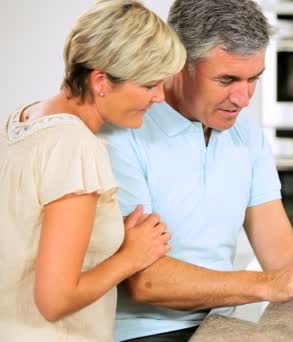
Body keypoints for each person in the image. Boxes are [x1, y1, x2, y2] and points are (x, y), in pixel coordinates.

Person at [101, 0, 293, 341]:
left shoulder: (244, 134)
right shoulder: (123, 134)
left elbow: (281, 255)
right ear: (178, 63)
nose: (243, 98)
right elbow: (146, 281)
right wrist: (266, 285)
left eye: (253, 79)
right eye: (227, 79)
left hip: (216, 327)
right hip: (140, 334)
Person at [0, 1, 186, 340]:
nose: (159, 96)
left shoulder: (21, 121)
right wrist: (133, 255)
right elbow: (55, 300)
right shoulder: (75, 146)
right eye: (149, 85)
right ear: (101, 81)